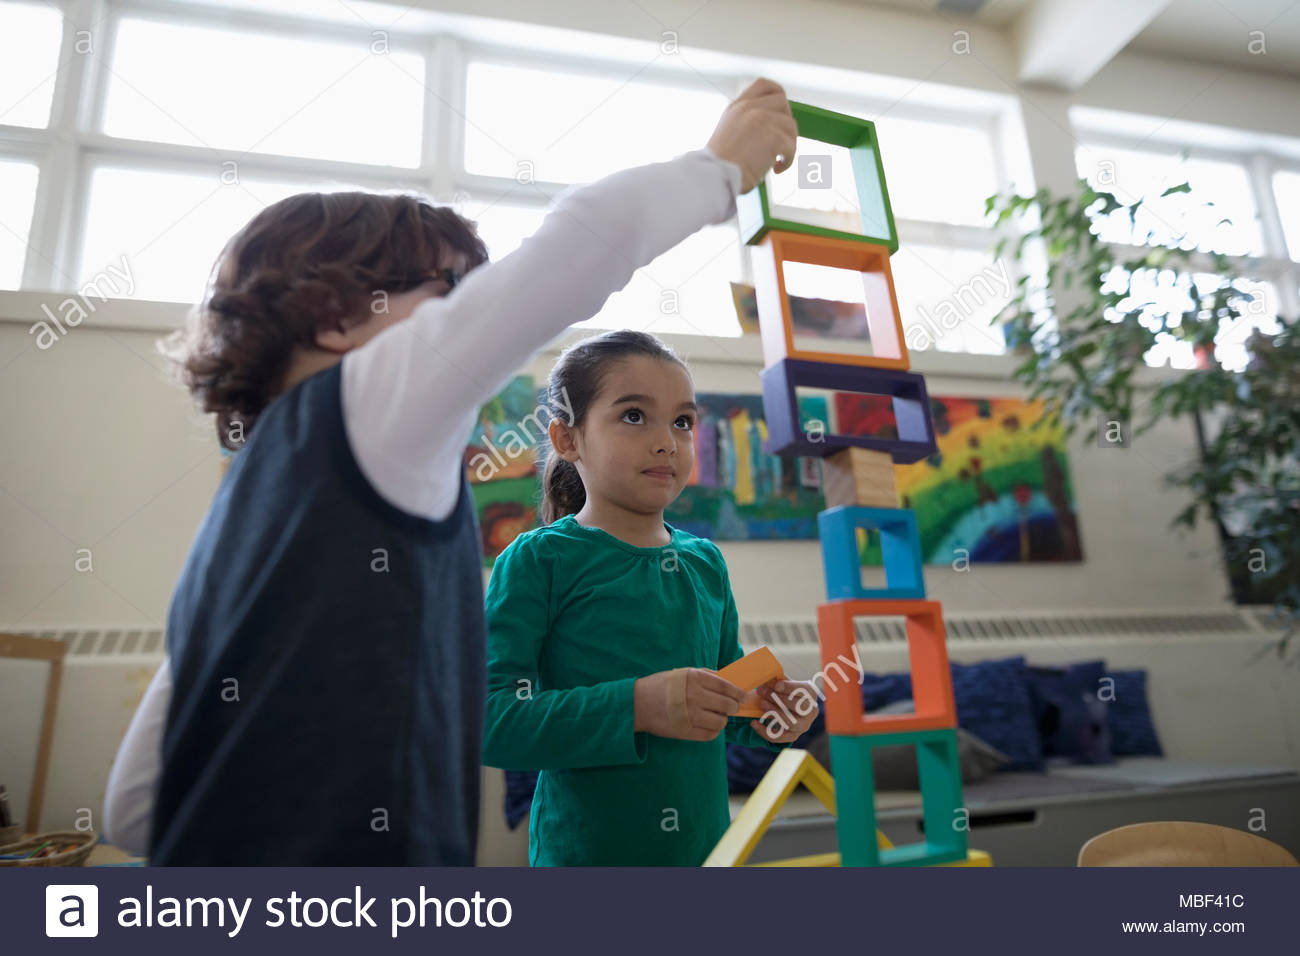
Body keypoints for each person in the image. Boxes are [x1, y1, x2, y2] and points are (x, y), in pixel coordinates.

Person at [102, 78, 799, 864]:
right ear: (338, 317)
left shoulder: (250, 514)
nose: (470, 319)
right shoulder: (362, 409)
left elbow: (132, 807)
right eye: (448, 295)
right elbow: (577, 251)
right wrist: (719, 169)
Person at [482, 329, 817, 866]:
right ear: (568, 440)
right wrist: (637, 705)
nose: (667, 441)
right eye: (634, 416)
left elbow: (722, 702)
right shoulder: (537, 560)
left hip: (706, 854)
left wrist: (769, 715)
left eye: (682, 422)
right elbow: (493, 722)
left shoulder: (706, 563)